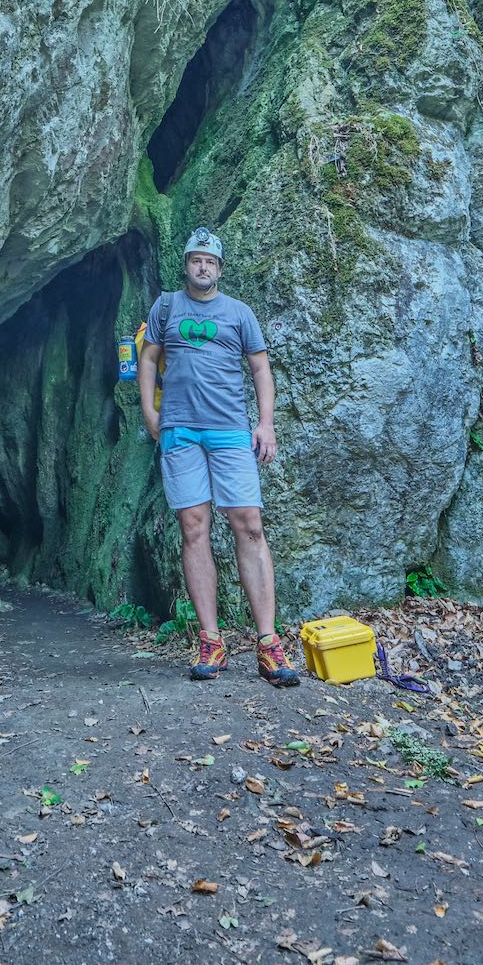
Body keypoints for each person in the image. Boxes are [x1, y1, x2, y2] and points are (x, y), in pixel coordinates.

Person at [137, 229, 301, 687]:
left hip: (229, 431)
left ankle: (268, 642)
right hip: (181, 431)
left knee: (249, 522)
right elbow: (148, 358)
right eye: (196, 260)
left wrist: (265, 424)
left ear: (220, 269)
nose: (203, 267)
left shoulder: (239, 314)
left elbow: (260, 368)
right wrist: (150, 410)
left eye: (210, 261)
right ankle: (211, 640)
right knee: (194, 527)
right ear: (186, 265)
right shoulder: (166, 306)